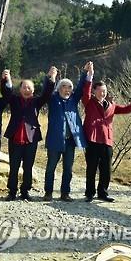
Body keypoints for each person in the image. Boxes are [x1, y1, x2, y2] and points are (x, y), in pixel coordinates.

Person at [82, 62, 131, 202]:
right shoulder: (89, 102)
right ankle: (89, 193)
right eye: (100, 90)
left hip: (107, 140)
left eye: (105, 90)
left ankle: (103, 193)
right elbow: (86, 90)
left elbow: (125, 109)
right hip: (92, 139)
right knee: (91, 168)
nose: (103, 92)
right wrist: (90, 75)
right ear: (94, 91)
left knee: (106, 169)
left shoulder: (111, 105)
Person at [1, 66, 57, 201]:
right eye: (24, 87)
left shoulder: (37, 101)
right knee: (14, 166)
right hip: (15, 137)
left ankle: (25, 191)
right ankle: (12, 191)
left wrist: (50, 78)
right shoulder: (14, 100)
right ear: (20, 89)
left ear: (33, 90)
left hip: (31, 138)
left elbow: (47, 93)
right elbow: (6, 92)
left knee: (28, 166)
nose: (26, 90)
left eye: (29, 88)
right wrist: (5, 79)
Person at [43, 62, 91, 202]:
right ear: (59, 88)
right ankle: (48, 192)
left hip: (70, 141)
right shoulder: (53, 99)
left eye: (70, 87)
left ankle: (65, 193)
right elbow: (46, 90)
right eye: (64, 86)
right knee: (51, 167)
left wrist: (85, 72)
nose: (67, 89)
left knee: (68, 169)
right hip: (55, 140)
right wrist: (50, 77)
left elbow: (81, 87)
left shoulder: (73, 100)